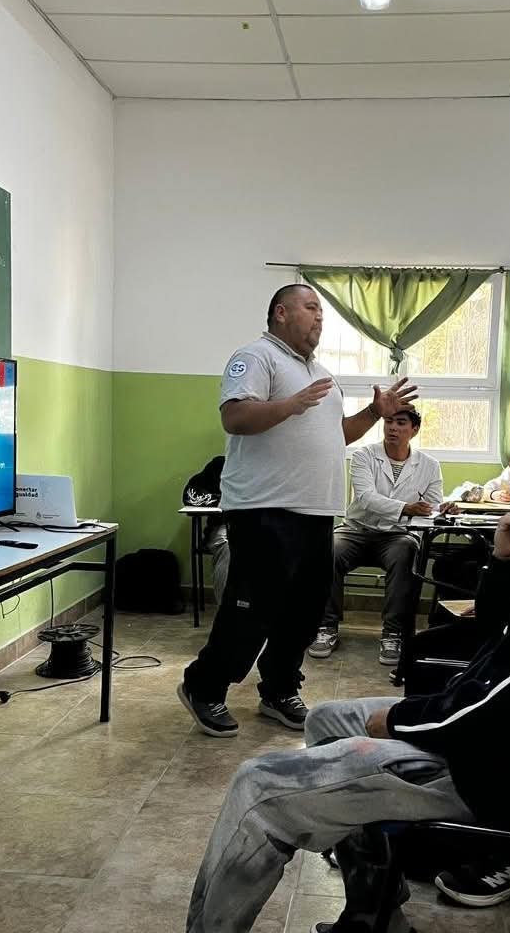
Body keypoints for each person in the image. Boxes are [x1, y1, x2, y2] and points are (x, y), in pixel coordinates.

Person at [185, 401, 510, 933]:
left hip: (500, 773)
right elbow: (508, 647)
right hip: (502, 740)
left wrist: (405, 721)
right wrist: (503, 564)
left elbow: (507, 694)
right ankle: (374, 913)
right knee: (325, 721)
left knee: (257, 786)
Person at [179, 284, 417, 738]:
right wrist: (290, 405)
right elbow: (235, 417)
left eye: (322, 314)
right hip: (264, 507)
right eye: (311, 308)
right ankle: (204, 686)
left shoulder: (321, 375)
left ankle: (279, 688)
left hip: (314, 511)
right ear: (281, 312)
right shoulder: (256, 356)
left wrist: (373, 411)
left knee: (305, 609)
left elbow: (336, 436)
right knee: (253, 608)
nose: (319, 319)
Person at [308, 408, 443, 665]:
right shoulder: (364, 455)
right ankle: (326, 628)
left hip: (397, 535)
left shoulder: (429, 465)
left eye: (401, 423)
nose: (392, 427)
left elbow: (432, 505)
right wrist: (406, 507)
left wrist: (442, 509)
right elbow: (366, 498)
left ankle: (392, 633)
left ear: (414, 430)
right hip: (356, 530)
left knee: (407, 553)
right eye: (389, 421)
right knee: (329, 549)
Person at [183, 455, 230, 605]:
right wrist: (226, 500)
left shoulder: (273, 468)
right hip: (226, 528)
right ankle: (227, 611)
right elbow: (190, 496)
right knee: (229, 546)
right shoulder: (222, 464)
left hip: (263, 528)